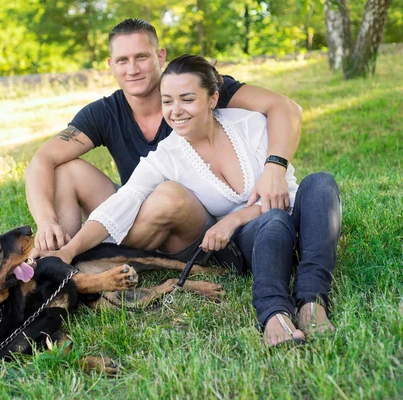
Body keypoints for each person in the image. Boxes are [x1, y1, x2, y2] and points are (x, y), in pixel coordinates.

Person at [36, 54, 341, 346]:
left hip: (289, 223)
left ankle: (311, 301)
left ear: (212, 99)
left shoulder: (250, 125)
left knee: (320, 183)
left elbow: (284, 195)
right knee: (272, 220)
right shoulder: (166, 157)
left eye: (187, 99)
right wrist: (69, 250)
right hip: (249, 242)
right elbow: (123, 201)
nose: (175, 110)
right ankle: (274, 313)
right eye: (167, 101)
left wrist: (238, 212)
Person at [25, 18, 303, 267]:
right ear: (110, 65)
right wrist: (47, 221)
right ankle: (58, 257)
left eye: (141, 57)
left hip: (193, 215)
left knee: (168, 195)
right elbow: (42, 159)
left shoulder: (193, 87)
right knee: (66, 169)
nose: (132, 69)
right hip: (137, 205)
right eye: (122, 60)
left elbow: (285, 108)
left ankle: (95, 258)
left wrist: (275, 169)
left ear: (160, 56)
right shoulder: (104, 112)